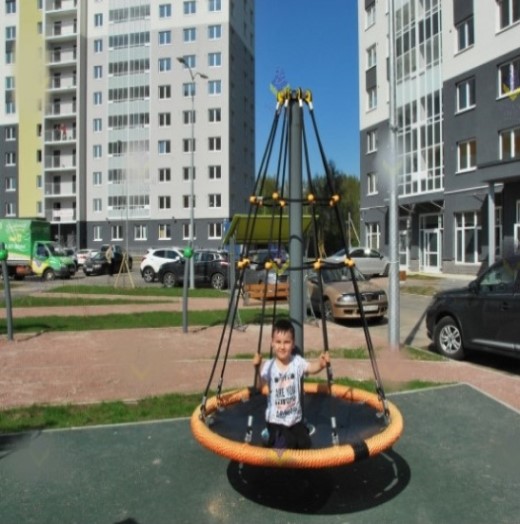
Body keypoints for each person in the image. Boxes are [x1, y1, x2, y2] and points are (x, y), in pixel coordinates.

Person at [253, 318, 330, 450]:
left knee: (304, 443)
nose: (282, 347)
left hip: (294, 419)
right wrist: (257, 368)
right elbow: (259, 386)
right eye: (278, 342)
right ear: (272, 343)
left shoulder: (297, 362)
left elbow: (311, 368)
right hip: (275, 420)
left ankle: (285, 439)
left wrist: (321, 365)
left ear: (293, 344)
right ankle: (268, 435)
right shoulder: (269, 366)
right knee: (286, 445)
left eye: (287, 342)